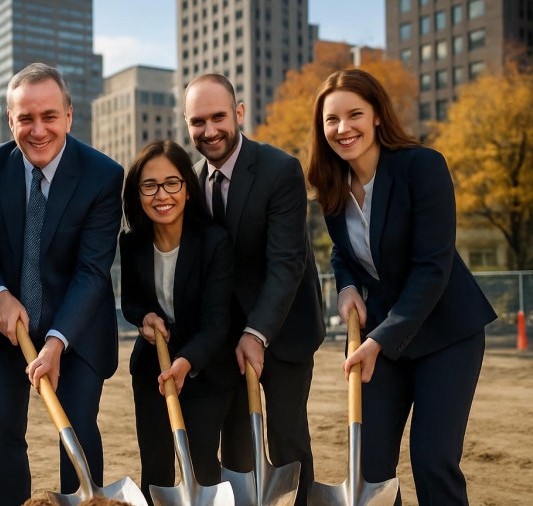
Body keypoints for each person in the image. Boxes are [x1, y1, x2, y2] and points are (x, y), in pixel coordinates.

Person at [305, 68, 496, 505]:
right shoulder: (331, 185)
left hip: (446, 333)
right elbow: (343, 252)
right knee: (369, 468)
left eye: (355, 114)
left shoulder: (422, 166)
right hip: (381, 337)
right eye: (331, 119)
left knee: (432, 459)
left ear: (377, 115)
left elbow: (432, 267)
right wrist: (346, 287)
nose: (343, 127)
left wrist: (380, 340)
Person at [0, 63, 123, 505]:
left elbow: (92, 270)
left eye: (49, 116)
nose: (38, 130)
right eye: (25, 118)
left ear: (68, 116)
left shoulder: (104, 175)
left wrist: (55, 342)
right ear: (10, 121)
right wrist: (0, 297)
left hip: (77, 326)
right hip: (9, 323)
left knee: (77, 429)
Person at [183, 73, 325, 504]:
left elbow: (287, 262)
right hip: (225, 338)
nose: (209, 131)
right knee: (236, 445)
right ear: (187, 124)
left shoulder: (280, 170)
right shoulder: (190, 182)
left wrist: (257, 333)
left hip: (283, 328)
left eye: (219, 117)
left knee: (286, 440)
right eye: (198, 121)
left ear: (239, 113)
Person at [119, 140, 235, 501]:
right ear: (137, 193)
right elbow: (131, 301)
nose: (161, 195)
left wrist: (186, 362)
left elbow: (217, 321)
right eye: (149, 185)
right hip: (152, 372)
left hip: (203, 370)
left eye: (171, 183)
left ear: (187, 187)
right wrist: (144, 317)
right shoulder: (132, 242)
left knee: (201, 467)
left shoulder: (214, 242)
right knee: (156, 469)